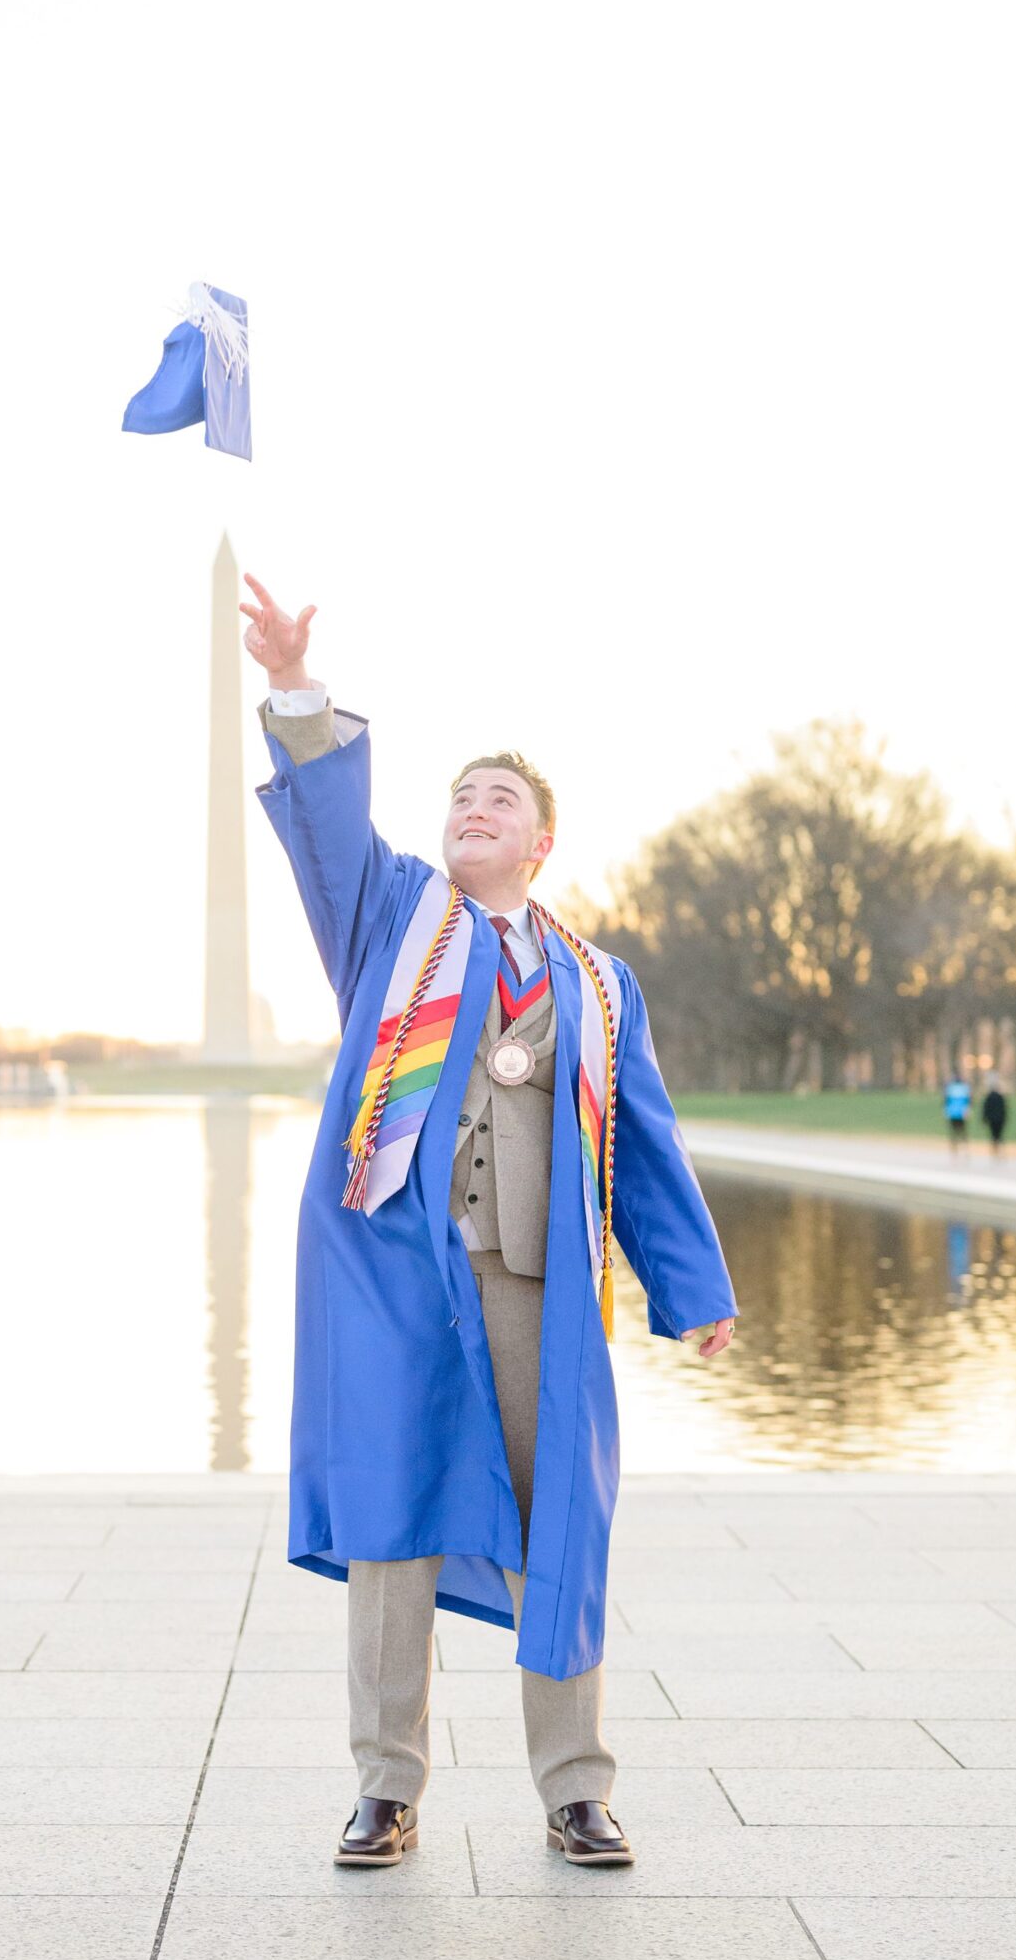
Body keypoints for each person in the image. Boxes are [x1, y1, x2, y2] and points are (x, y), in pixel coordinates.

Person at [244, 573, 737, 1873]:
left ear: (540, 843)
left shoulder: (593, 981)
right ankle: (383, 1788)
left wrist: (691, 1289)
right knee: (389, 1531)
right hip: (401, 1276)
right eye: (457, 796)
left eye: (496, 800)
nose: (470, 809)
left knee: (554, 1528)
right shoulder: (394, 921)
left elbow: (640, 1141)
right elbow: (326, 831)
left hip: (535, 1286)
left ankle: (574, 1788)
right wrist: (297, 695)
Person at [944, 1074, 972, 1150]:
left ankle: (958, 1147)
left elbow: (946, 1101)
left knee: (957, 1131)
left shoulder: (951, 1088)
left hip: (955, 1112)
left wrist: (946, 1112)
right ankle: (958, 1147)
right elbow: (968, 1101)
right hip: (958, 1112)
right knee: (960, 1131)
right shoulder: (964, 1088)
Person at [982, 1077, 1009, 1156]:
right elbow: (1004, 1109)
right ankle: (1001, 1151)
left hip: (992, 1119)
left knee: (993, 1135)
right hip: (1000, 1119)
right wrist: (1004, 1119)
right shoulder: (1001, 1097)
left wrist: (984, 1119)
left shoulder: (989, 1097)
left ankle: (994, 1151)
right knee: (999, 1135)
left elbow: (986, 1109)